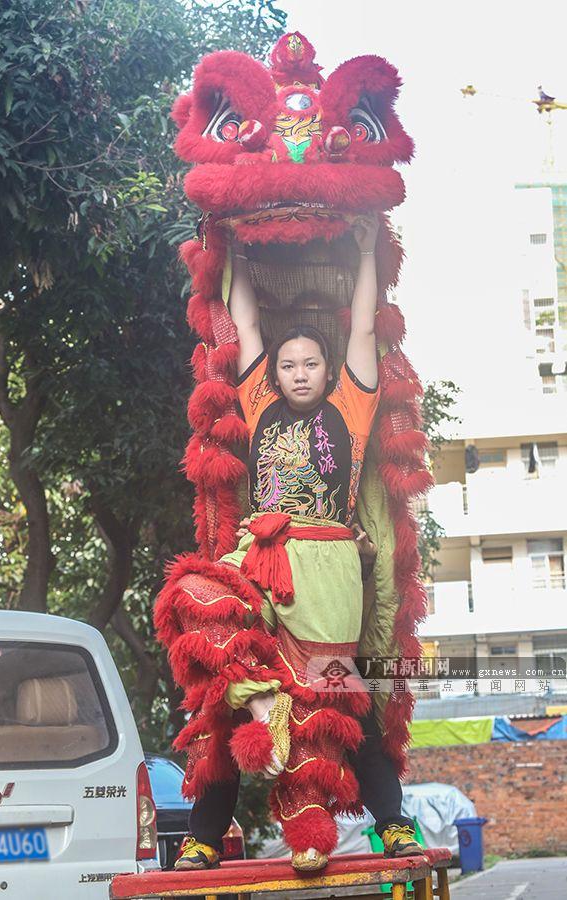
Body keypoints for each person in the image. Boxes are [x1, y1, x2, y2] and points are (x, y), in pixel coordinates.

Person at [169, 216, 424, 872]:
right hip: (259, 558)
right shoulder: (259, 399)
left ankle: (390, 823)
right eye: (289, 364)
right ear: (275, 373)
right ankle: (247, 734)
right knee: (194, 599)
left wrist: (366, 251)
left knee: (338, 695)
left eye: (311, 362)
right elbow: (246, 322)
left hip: (329, 570)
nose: (300, 371)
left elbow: (363, 327)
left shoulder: (351, 408)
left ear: (327, 368)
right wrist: (232, 250)